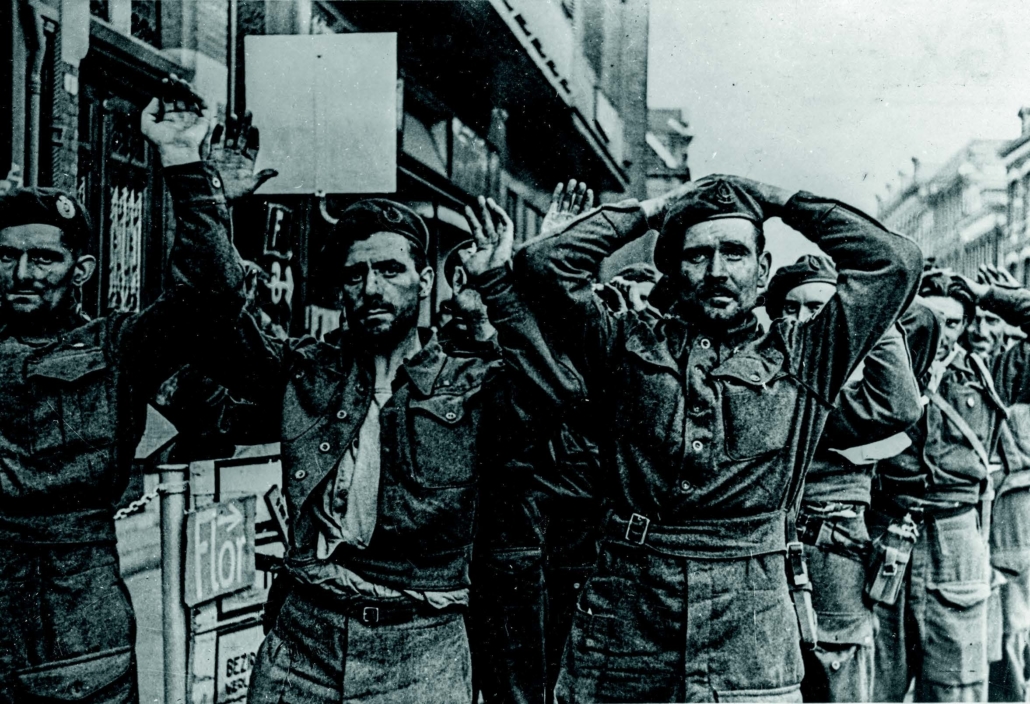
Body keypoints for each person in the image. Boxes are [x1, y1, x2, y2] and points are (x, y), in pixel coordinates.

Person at [469, 174, 923, 702]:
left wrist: (777, 200)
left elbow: (896, 262)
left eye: (735, 253)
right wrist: (655, 209)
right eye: (697, 256)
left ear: (762, 270)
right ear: (672, 271)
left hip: (750, 624)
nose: (717, 271)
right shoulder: (622, 343)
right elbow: (544, 262)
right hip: (630, 614)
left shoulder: (805, 357)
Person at [0, 80, 251, 702]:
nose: (22, 274)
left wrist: (183, 162)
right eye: (6, 257)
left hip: (74, 621)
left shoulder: (119, 346)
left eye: (43, 259)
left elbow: (210, 292)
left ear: (81, 271)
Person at [765, 254, 935, 702]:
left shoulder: (853, 394)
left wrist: (869, 312)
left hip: (834, 562)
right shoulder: (757, 383)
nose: (802, 319)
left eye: (818, 308)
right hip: (763, 564)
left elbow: (899, 403)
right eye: (790, 308)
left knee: (839, 681)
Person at [870, 266, 1030, 702]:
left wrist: (992, 295)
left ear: (966, 326)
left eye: (954, 323)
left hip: (956, 541)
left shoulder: (989, 374)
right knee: (873, 687)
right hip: (885, 534)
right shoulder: (880, 372)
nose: (941, 334)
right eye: (930, 319)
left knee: (958, 688)